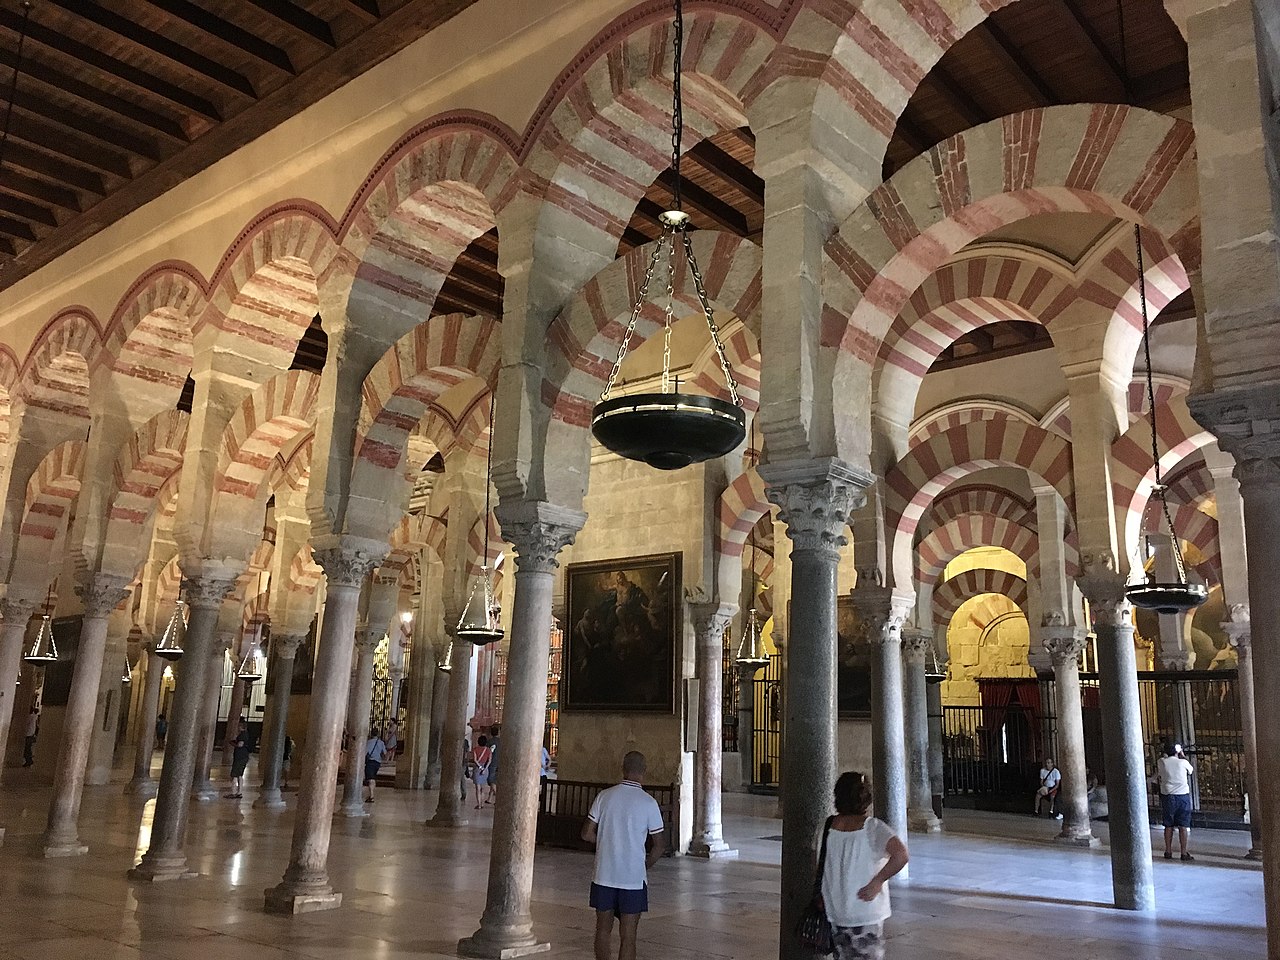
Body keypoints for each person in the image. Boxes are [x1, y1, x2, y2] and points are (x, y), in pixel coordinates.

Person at [580, 751, 666, 960]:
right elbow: (659, 846)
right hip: (633, 879)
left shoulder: (605, 796)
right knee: (629, 937)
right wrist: (643, 865)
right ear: (644, 772)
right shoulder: (648, 803)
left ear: (623, 769)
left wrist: (607, 841)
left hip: (604, 875)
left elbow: (586, 834)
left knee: (602, 930)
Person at [819, 771, 909, 960]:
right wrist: (878, 881)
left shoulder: (829, 826)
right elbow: (901, 855)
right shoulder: (872, 828)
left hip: (836, 909)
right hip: (865, 911)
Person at [1156, 742, 1195, 860]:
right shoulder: (1183, 762)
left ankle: (1168, 851)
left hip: (1168, 796)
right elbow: (1191, 771)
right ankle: (1184, 852)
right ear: (1177, 751)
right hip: (1182, 796)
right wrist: (1182, 755)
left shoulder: (1161, 762)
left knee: (1168, 825)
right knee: (1183, 825)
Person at [364, 727, 389, 803]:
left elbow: (365, 752)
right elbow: (385, 753)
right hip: (377, 763)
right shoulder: (381, 743)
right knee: (373, 778)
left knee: (371, 779)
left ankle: (371, 795)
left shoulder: (369, 742)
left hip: (370, 762)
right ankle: (371, 794)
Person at [470, 734, 494, 809]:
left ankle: (479, 804)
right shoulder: (488, 750)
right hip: (485, 769)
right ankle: (482, 803)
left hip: (478, 768)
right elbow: (489, 761)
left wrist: (480, 767)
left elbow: (475, 760)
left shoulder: (475, 749)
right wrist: (484, 768)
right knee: (483, 788)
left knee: (477, 788)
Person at [226, 725, 250, 799]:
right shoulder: (246, 734)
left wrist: (232, 743)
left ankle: (233, 792)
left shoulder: (243, 735)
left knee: (235, 774)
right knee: (240, 775)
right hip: (244, 756)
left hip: (240, 757)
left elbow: (240, 745)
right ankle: (239, 792)